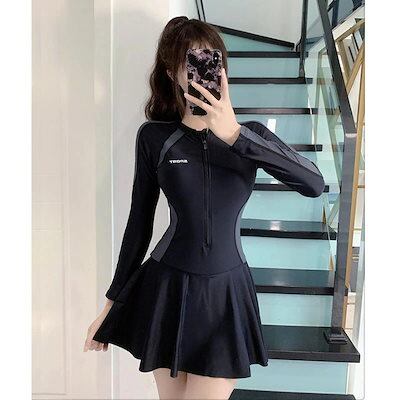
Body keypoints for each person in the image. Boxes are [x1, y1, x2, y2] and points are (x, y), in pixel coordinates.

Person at [83, 16, 325, 400]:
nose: (203, 71)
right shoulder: (155, 137)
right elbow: (138, 224)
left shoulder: (252, 135)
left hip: (225, 296)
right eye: (190, 62)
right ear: (172, 74)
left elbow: (314, 184)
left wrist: (234, 134)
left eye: (211, 59)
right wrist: (110, 305)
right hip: (166, 289)